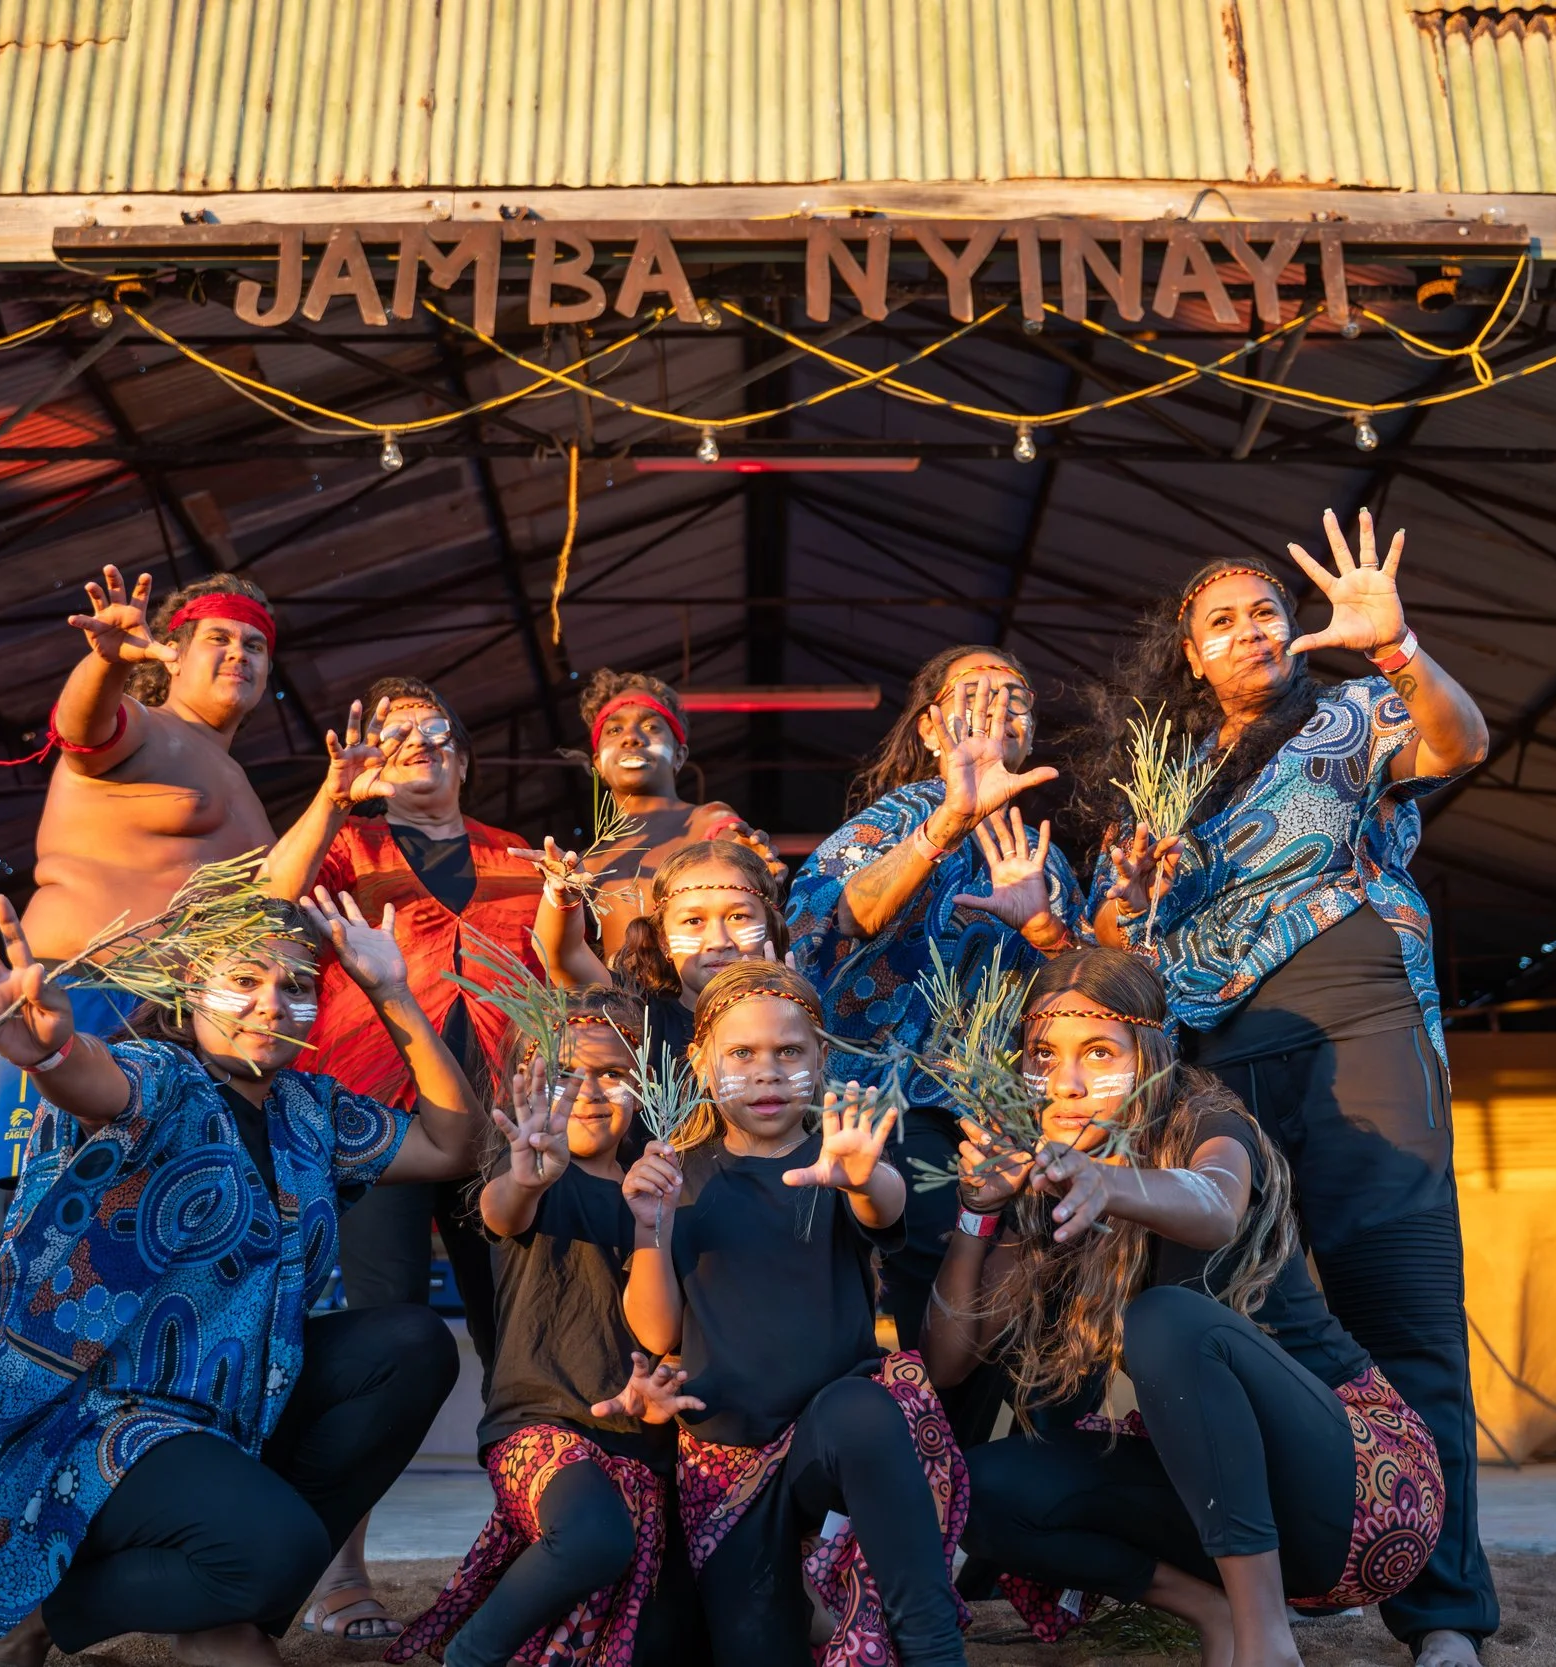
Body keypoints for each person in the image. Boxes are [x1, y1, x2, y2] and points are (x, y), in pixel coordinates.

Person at [0, 886, 477, 1667]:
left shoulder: (311, 1112)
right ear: (188, 987)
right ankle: (38, 1617)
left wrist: (394, 994)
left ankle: (222, 1596)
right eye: (244, 978)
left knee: (411, 1343)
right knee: (277, 1548)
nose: (271, 1003)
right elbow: (97, 1081)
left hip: (237, 1416)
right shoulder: (161, 1077)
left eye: (296, 986)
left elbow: (454, 1145)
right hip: (106, 1423)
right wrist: (51, 1052)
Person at [1083, 510, 1493, 1667]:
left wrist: (1396, 648)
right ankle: (1284, 1589)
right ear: (1192, 649)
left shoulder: (1353, 710)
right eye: (1224, 620)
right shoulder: (1160, 783)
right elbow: (1122, 945)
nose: (1252, 629)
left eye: (1266, 609)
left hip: (1360, 1024)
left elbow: (1458, 745)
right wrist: (1122, 892)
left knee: (1403, 1311)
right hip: (1216, 1059)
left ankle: (1445, 1614)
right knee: (1242, 1318)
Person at [924, 948, 1441, 1667]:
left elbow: (1216, 1205)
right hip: (1222, 1503)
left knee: (1165, 1319)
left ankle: (1267, 1644)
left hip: (1365, 1492)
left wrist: (1109, 1181)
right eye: (1045, 1055)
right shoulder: (1049, 1185)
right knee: (975, 1488)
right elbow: (949, 1362)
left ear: (1151, 1056)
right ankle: (1215, 1611)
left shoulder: (1204, 1117)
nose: (1068, 1082)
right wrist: (978, 1217)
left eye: (1099, 1051)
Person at [620, 961, 968, 1667]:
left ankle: (934, 1646)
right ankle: (819, 1604)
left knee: (862, 1407)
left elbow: (886, 1203)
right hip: (728, 1468)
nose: (767, 1072)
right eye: (742, 1053)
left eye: (789, 1052)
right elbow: (656, 1332)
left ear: (822, 1059)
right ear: (699, 1061)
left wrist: (865, 1176)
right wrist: (648, 1229)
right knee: (752, 1647)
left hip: (831, 1443)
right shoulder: (675, 1172)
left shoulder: (842, 1154)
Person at [0, 564, 387, 1181]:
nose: (240, 654)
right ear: (170, 656)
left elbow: (260, 900)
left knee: (160, 1214)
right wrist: (105, 663)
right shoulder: (141, 726)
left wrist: (333, 801)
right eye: (220, 640)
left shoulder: (237, 783)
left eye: (254, 645)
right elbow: (79, 730)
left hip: (188, 1016)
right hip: (90, 990)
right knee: (67, 1216)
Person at [297, 673, 547, 1638]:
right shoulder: (338, 850)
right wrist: (333, 798)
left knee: (518, 1342)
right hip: (376, 1124)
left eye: (436, 733)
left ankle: (530, 1547)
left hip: (500, 1130)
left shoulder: (521, 859)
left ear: (465, 755)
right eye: (396, 736)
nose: (419, 747)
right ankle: (343, 1568)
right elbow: (269, 914)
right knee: (380, 1333)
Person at [786, 646, 1084, 1373]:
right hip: (894, 1109)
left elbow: (1081, 997)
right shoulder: (899, 816)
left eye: (1015, 697)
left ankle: (964, 1453)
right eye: (972, 693)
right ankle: (927, 1444)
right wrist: (949, 819)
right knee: (928, 1291)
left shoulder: (1046, 857)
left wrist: (1050, 933)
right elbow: (828, 917)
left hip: (1003, 1120)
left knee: (1011, 1306)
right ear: (929, 730)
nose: (995, 708)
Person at [387, 988, 704, 1667]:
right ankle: (470, 1656)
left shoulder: (663, 1186)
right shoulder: (533, 1172)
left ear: (648, 1084)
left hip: (641, 1446)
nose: (587, 1091)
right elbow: (503, 1211)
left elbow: (663, 1332)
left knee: (665, 1635)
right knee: (593, 1538)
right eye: (564, 1073)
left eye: (612, 1073)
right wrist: (528, 1176)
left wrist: (656, 1221)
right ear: (529, 1080)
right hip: (540, 1429)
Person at [559, 670, 784, 950]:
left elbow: (735, 847)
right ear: (599, 764)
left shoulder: (707, 821)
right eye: (615, 730)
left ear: (679, 755)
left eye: (651, 727)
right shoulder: (586, 864)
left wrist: (747, 861)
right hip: (618, 994)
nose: (631, 737)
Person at [533, 837, 786, 1073]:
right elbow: (565, 955)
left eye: (738, 917)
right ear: (664, 941)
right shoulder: (638, 1016)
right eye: (693, 920)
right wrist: (562, 896)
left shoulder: (798, 1015)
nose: (719, 941)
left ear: (769, 929)